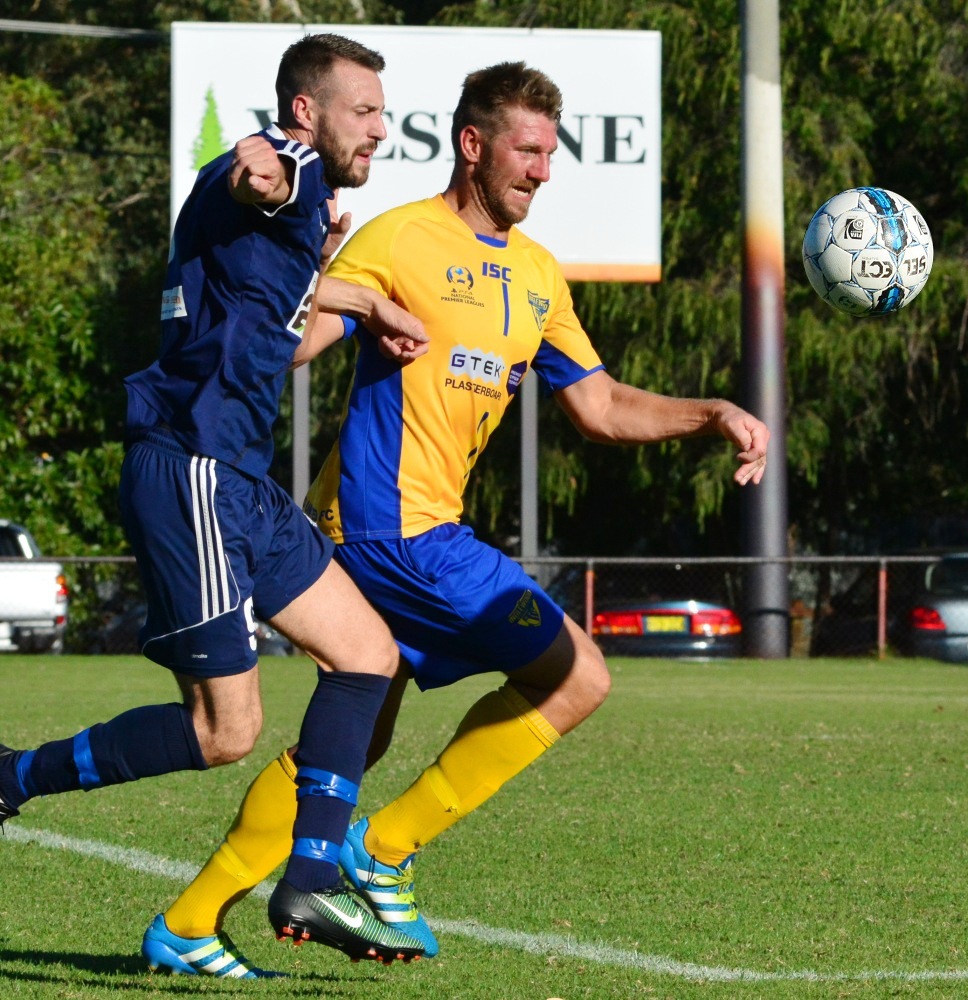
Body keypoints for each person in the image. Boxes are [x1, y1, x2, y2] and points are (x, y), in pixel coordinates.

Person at [138, 60, 771, 976]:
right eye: (526, 150)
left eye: (551, 155)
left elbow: (599, 407)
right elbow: (295, 339)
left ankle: (189, 922)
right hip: (390, 531)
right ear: (473, 146)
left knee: (354, 739)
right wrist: (318, 286)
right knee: (577, 675)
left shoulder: (539, 275)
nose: (542, 171)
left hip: (402, 533)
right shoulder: (397, 238)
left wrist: (708, 413)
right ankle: (379, 851)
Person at [0, 33, 430, 971]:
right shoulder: (295, 168)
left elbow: (277, 338)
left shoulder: (299, 222)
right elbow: (259, 171)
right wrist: (268, 172)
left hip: (239, 478)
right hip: (190, 467)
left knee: (368, 654)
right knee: (224, 731)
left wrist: (354, 298)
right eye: (364, 110)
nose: (380, 130)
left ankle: (311, 869)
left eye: (382, 113)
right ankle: (11, 777)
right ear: (308, 110)